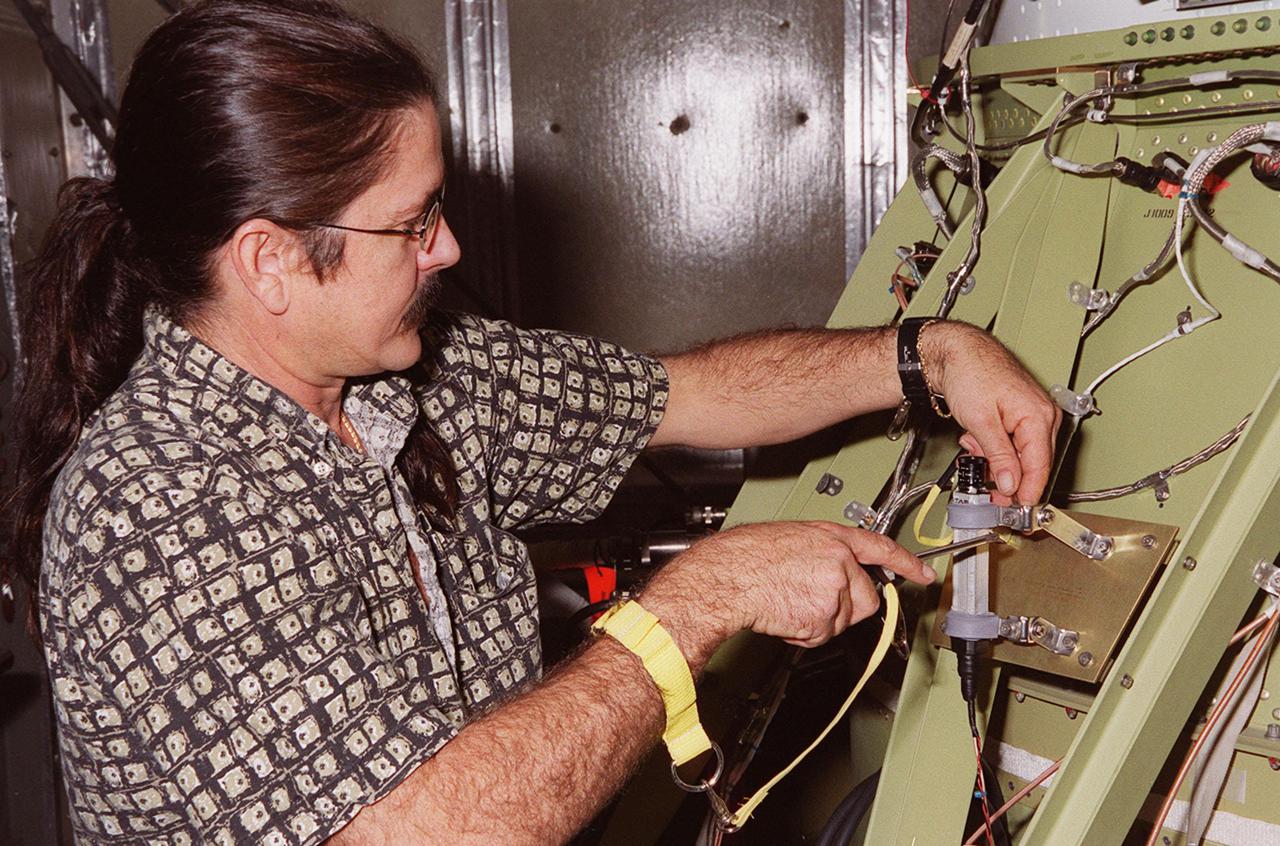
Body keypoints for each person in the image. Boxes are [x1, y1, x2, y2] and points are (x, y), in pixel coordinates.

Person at [2, 1, 1059, 843]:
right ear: (272, 261)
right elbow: (412, 829)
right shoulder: (159, 505)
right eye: (412, 221)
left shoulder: (418, 385)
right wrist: (694, 602)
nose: (448, 247)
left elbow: (689, 393)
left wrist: (926, 355)